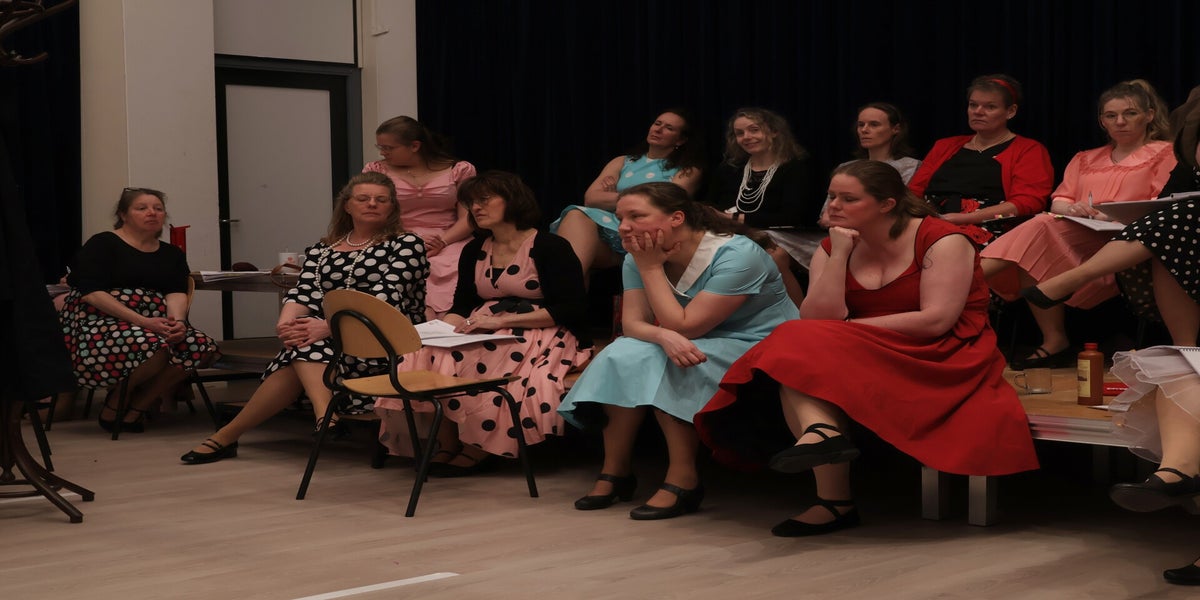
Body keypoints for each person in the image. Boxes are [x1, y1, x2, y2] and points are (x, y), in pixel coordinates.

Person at [694, 161, 1039, 536]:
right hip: (865, 345)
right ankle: (822, 440)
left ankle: (832, 494)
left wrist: (844, 331)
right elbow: (817, 318)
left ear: (887, 204)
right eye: (831, 196)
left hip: (939, 351)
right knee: (798, 355)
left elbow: (936, 321)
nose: (834, 206)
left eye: (848, 198)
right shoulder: (834, 245)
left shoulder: (942, 239)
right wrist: (839, 256)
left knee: (796, 346)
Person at [558, 182, 798, 520]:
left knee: (668, 358)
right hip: (689, 336)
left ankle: (684, 478)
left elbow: (688, 327)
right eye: (620, 217)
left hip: (758, 342)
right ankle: (615, 470)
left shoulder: (737, 255)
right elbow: (633, 324)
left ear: (677, 218)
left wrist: (651, 271)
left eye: (636, 216)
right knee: (620, 353)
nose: (623, 227)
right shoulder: (640, 253)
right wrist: (663, 336)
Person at [180, 172, 429, 464]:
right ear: (347, 205)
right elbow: (304, 291)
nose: (372, 204)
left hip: (383, 342)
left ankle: (228, 436)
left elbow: (384, 298)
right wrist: (285, 324)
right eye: (363, 198)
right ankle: (326, 419)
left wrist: (327, 327)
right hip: (330, 343)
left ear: (392, 207)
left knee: (303, 347)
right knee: (301, 342)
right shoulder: (324, 249)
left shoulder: (406, 244)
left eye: (381, 200)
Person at [374, 171, 592, 475]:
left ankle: (478, 448)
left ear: (512, 200)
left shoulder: (550, 246)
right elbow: (462, 304)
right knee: (428, 352)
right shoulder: (474, 249)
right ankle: (446, 443)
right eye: (472, 203)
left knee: (489, 355)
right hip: (486, 325)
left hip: (541, 329)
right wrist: (441, 331)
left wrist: (502, 321)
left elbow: (571, 308)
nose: (476, 208)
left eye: (485, 200)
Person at [980, 80, 1175, 369]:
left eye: (1130, 113)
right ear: (1102, 121)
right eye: (1111, 115)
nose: (1120, 122)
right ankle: (1053, 338)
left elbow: (1162, 203)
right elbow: (1059, 200)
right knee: (1042, 227)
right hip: (1080, 233)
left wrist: (1110, 216)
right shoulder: (1086, 158)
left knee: (1039, 229)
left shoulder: (1165, 152)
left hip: (1129, 239)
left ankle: (969, 276)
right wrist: (1075, 208)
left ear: (1149, 115)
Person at [60, 187, 218, 433]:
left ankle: (138, 406)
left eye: (158, 208)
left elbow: (176, 291)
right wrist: (142, 321)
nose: (152, 213)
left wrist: (178, 323)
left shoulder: (171, 254)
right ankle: (117, 401)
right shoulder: (103, 243)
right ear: (123, 215)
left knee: (200, 345)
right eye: (142, 208)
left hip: (154, 323)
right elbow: (91, 292)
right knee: (156, 345)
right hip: (100, 323)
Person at [552, 109, 705, 276]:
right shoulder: (623, 161)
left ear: (681, 140)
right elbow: (591, 199)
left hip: (647, 230)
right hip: (609, 226)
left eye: (669, 128)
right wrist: (643, 197)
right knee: (576, 216)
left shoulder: (688, 170)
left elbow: (667, 202)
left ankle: (563, 286)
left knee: (576, 254)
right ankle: (565, 288)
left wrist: (617, 196)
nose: (658, 129)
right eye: (657, 123)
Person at [363, 115, 475, 321]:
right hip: (396, 237)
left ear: (414, 146)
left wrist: (441, 241)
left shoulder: (458, 169)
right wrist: (410, 240)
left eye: (389, 148)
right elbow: (371, 215)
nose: (383, 153)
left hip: (451, 238)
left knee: (455, 265)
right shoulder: (376, 171)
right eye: (380, 147)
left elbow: (469, 218)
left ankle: (449, 326)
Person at [908, 74, 1054, 230]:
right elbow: (913, 192)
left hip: (988, 227)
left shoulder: (1029, 150)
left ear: (1011, 111)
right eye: (973, 105)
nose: (978, 112)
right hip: (926, 222)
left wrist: (965, 219)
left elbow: (1027, 203)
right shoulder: (944, 146)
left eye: (990, 107)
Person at [704, 107, 815, 306]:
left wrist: (733, 218)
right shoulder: (728, 169)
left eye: (754, 130)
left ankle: (798, 315)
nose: (746, 137)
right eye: (740, 133)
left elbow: (792, 216)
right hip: (730, 233)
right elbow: (710, 207)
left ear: (774, 131)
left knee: (768, 253)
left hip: (783, 237)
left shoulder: (795, 168)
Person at [843, 102, 922, 183]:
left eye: (874, 125)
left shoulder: (911, 167)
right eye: (861, 125)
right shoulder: (846, 169)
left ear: (896, 129)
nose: (864, 130)